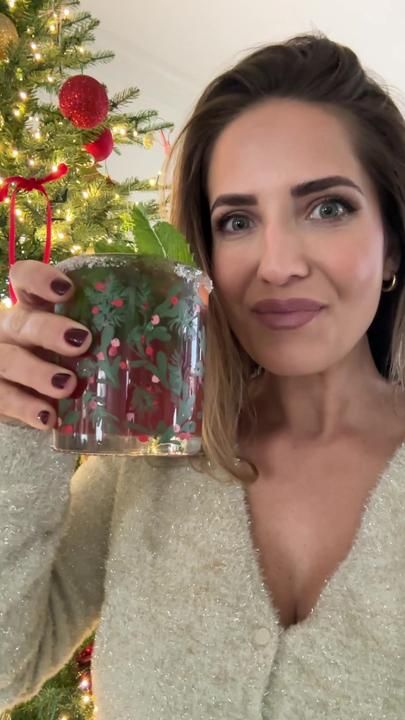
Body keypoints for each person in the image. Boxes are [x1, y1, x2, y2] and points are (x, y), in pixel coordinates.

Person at [0, 30, 405, 719]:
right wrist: (18, 427)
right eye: (237, 220)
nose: (275, 264)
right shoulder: (149, 458)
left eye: (327, 207)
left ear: (393, 240)